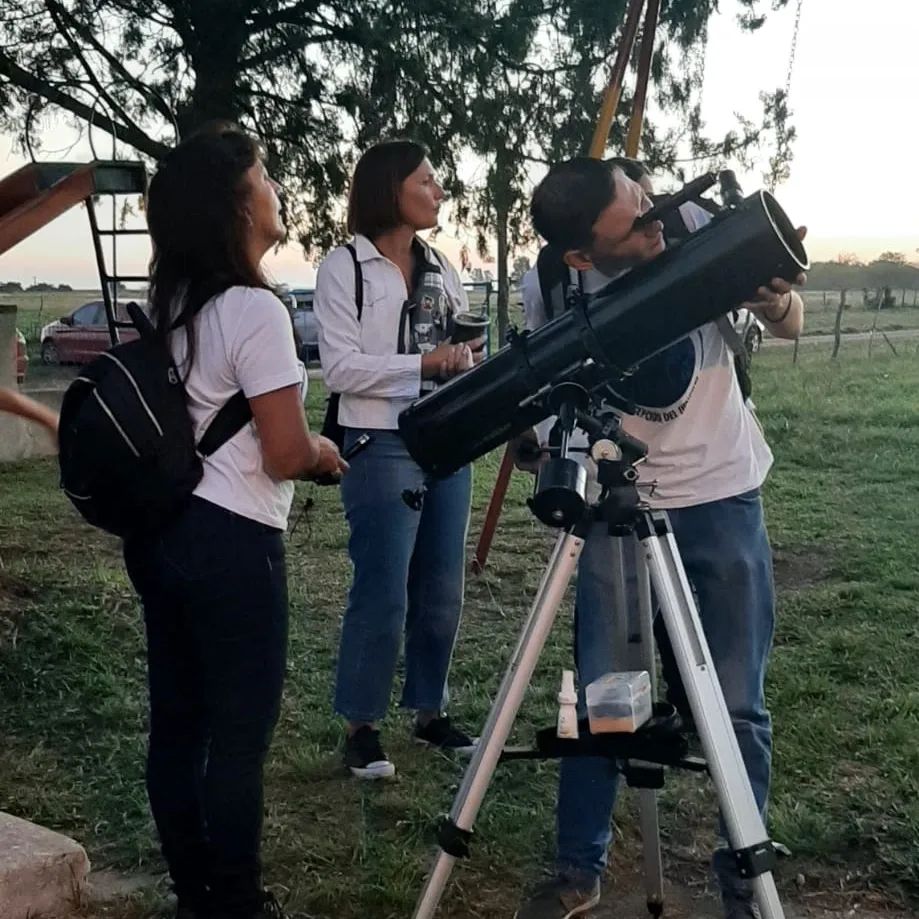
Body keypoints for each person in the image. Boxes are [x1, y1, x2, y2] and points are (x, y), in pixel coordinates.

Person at [515, 157, 805, 919]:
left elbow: (789, 322)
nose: (651, 222)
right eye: (630, 223)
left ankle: (745, 881)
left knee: (736, 703)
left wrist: (775, 301)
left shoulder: (694, 226)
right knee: (604, 696)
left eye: (645, 203)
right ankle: (579, 868)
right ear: (581, 255)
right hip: (619, 502)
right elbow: (547, 392)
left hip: (719, 493)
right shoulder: (551, 283)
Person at [124, 126, 346, 919]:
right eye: (266, 176)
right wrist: (325, 452)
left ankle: (196, 896)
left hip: (162, 533)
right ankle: (239, 903)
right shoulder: (255, 308)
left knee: (177, 727)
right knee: (238, 736)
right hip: (234, 541)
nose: (277, 189)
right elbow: (284, 451)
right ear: (237, 206)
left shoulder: (174, 300)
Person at [314, 140, 483, 780]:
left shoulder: (443, 266)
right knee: (383, 590)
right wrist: (424, 364)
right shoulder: (345, 267)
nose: (439, 191)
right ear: (391, 189)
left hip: (446, 437)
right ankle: (361, 726)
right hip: (378, 442)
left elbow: (455, 346)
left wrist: (462, 358)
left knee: (442, 587)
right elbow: (339, 368)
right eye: (428, 181)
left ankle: (429, 709)